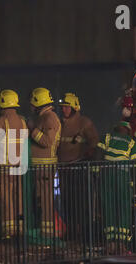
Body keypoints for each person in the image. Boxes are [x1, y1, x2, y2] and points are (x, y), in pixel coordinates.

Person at [57, 92, 99, 245]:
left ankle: (84, 232)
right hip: (63, 168)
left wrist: (88, 152)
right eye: (63, 107)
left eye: (67, 107)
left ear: (75, 108)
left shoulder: (84, 123)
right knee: (66, 201)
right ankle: (71, 230)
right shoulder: (59, 123)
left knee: (80, 201)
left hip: (78, 168)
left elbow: (95, 141)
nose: (64, 110)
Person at [0, 89, 28, 238]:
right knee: (17, 197)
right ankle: (20, 229)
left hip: (3, 168)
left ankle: (8, 232)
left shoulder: (0, 121)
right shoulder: (23, 122)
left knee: (4, 198)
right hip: (18, 166)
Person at [97, 121, 136, 255]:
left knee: (107, 206)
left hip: (106, 174)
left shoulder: (107, 137)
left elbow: (97, 155)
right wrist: (132, 183)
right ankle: (121, 244)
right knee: (123, 208)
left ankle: (110, 243)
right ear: (127, 130)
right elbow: (135, 165)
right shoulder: (131, 142)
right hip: (123, 177)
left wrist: (96, 172)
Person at [27, 87, 61, 238]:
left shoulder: (50, 117)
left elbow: (47, 141)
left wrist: (32, 130)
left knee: (45, 200)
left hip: (45, 167)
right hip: (39, 167)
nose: (31, 106)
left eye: (32, 103)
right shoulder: (43, 117)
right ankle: (42, 229)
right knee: (40, 199)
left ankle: (47, 233)